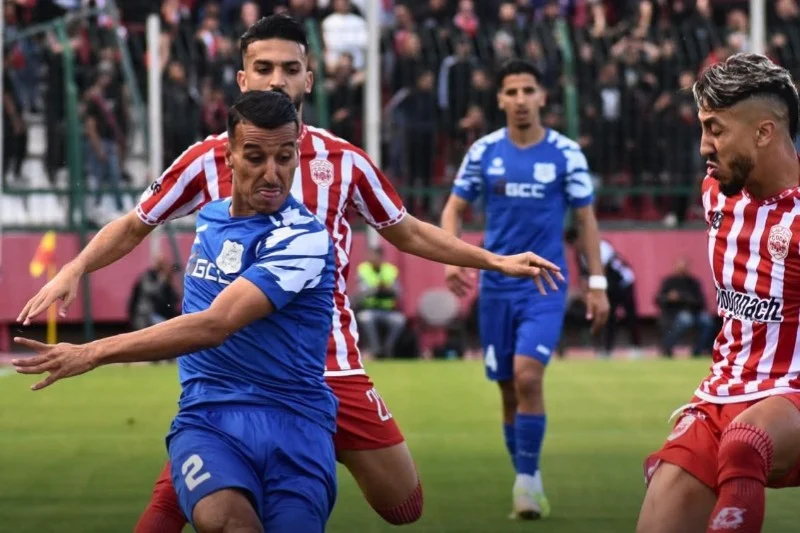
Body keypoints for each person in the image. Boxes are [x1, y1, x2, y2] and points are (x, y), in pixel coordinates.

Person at [16, 15, 563, 533]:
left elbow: (408, 231)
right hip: (231, 367)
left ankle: (292, 451)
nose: (276, 80)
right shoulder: (210, 158)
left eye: (289, 69)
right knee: (211, 487)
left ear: (309, 77)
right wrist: (76, 266)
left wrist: (491, 259)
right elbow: (136, 224)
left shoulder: (344, 162)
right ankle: (221, 467)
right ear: (242, 77)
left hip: (330, 364)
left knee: (404, 505)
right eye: (264, 68)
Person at [14, 90, 339, 533]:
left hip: (297, 427)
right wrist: (75, 268)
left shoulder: (303, 238)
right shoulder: (210, 218)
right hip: (209, 422)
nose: (272, 173)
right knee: (231, 524)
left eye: (284, 158)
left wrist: (91, 353)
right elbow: (134, 223)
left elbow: (215, 324)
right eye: (256, 157)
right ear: (229, 156)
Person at [636, 53, 800, 533]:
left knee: (745, 442)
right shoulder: (716, 192)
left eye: (716, 129)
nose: (705, 145)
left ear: (764, 132)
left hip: (791, 391)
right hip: (720, 396)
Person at [440, 58, 610, 519]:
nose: (520, 100)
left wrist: (597, 283)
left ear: (542, 97)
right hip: (496, 287)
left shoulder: (566, 153)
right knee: (508, 391)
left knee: (528, 376)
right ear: (500, 99)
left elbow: (586, 219)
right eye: (511, 92)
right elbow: (454, 209)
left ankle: (527, 483)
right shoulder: (484, 152)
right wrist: (453, 257)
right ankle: (526, 480)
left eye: (528, 90)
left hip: (544, 284)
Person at [565, 228, 642, 358]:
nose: (574, 247)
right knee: (609, 317)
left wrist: (593, 291)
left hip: (623, 283)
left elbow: (602, 272)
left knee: (630, 316)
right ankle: (607, 350)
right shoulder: (581, 256)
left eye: (574, 243)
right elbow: (584, 277)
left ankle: (636, 348)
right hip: (607, 287)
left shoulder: (601, 246)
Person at [655, 257, 716, 358]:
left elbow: (700, 301)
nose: (681, 269)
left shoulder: (693, 282)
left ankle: (698, 350)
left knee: (707, 322)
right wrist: (668, 298)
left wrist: (682, 297)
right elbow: (658, 299)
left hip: (694, 312)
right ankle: (667, 347)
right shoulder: (669, 282)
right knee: (685, 319)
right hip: (674, 313)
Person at [355, 246, 407, 359]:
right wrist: (376, 289)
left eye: (375, 256)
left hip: (387, 310)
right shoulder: (363, 269)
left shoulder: (390, 270)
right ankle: (375, 350)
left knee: (399, 320)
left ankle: (387, 348)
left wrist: (389, 289)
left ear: (381, 257)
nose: (372, 258)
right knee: (366, 318)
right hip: (369, 309)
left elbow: (398, 293)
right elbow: (361, 293)